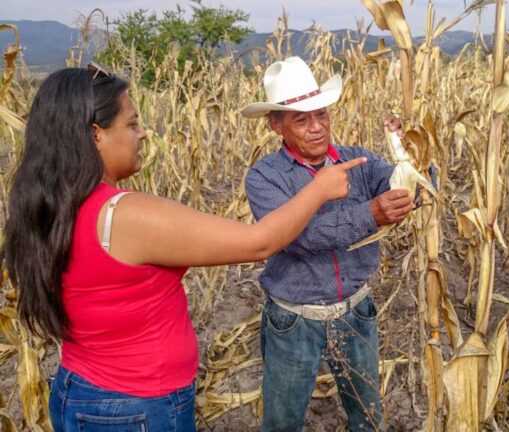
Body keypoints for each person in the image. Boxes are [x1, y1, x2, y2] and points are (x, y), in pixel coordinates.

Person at [1, 64, 366, 432]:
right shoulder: (124, 215)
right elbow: (261, 242)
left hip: (78, 389)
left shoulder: (51, 206)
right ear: (96, 135)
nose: (142, 134)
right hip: (136, 407)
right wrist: (319, 188)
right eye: (131, 124)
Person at [242, 57, 413, 431]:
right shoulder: (264, 178)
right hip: (294, 319)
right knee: (282, 422)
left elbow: (406, 181)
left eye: (321, 115)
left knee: (367, 417)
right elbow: (301, 238)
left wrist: (408, 149)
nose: (317, 128)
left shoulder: (359, 161)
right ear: (275, 125)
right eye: (301, 120)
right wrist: (371, 214)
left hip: (356, 311)